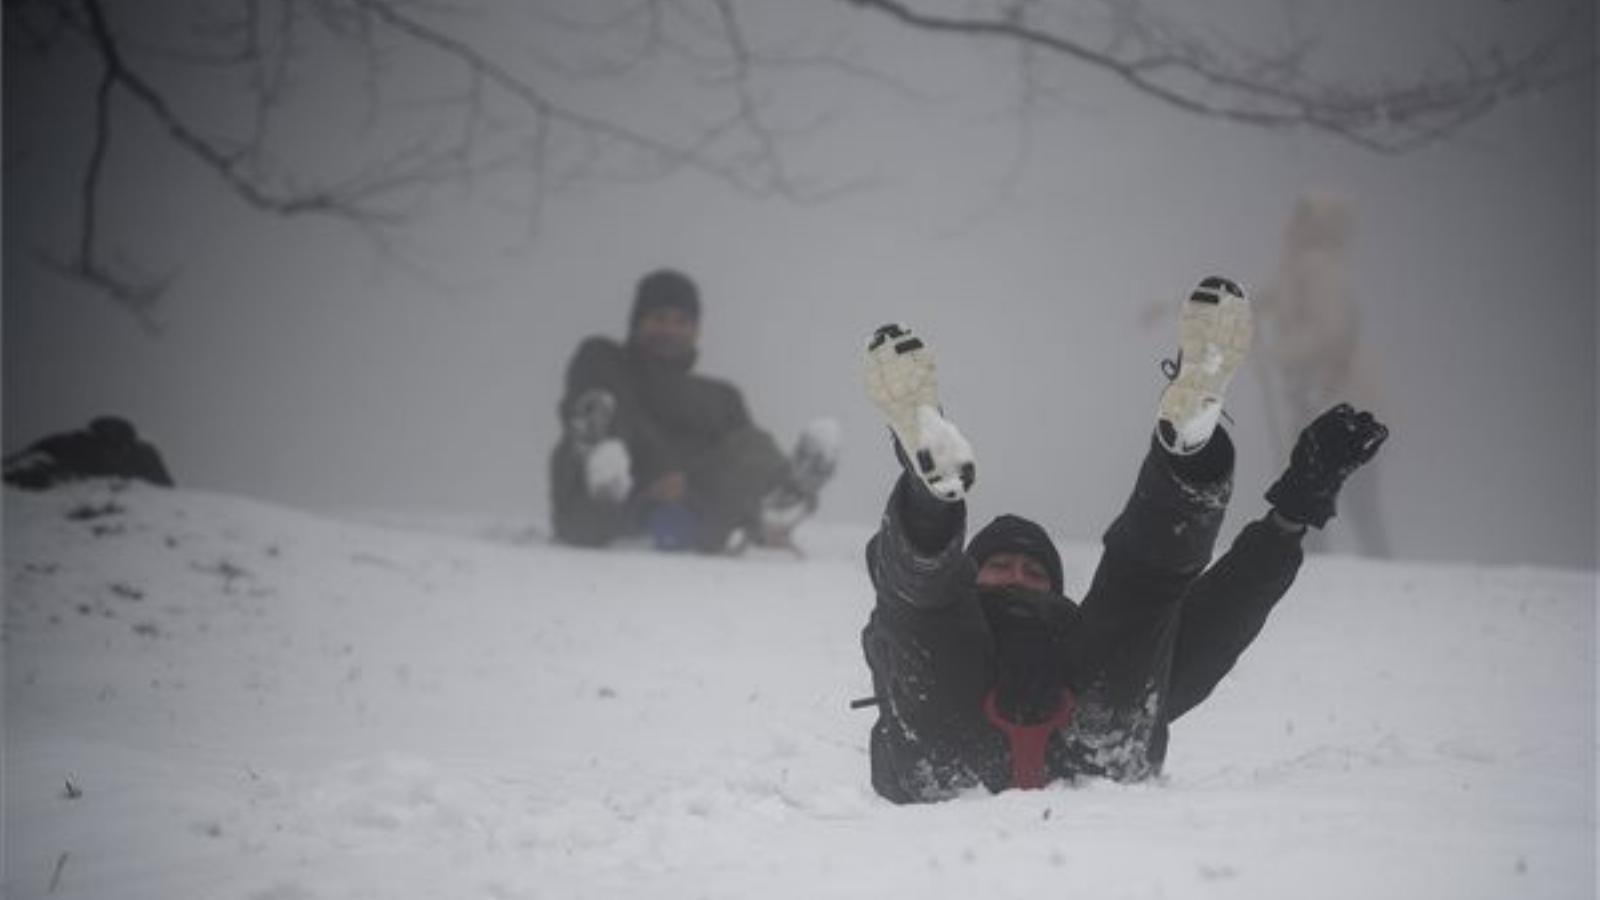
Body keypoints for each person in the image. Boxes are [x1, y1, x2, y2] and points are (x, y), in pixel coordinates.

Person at [857, 277, 1388, 803]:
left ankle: (1188, 446)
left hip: (1091, 737)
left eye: (1033, 571)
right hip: (951, 744)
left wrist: (1293, 512)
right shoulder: (949, 615)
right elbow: (901, 612)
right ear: (973, 572)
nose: (1018, 576)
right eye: (1001, 566)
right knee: (924, 602)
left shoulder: (1081, 637)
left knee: (1144, 592)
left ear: (1056, 589)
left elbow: (1220, 616)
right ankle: (931, 488)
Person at [549, 268, 839, 553]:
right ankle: (603, 453)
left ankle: (778, 502)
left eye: (681, 321)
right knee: (598, 368)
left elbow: (740, 466)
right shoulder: (610, 365)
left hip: (693, 511)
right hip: (607, 507)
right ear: (638, 323)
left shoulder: (720, 398)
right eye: (659, 318)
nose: (669, 330)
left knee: (751, 446)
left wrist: (687, 486)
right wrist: (647, 483)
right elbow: (596, 389)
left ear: (695, 330)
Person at [1254, 191, 1392, 557]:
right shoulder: (1304, 267)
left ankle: (1319, 558)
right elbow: (1269, 299)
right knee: (1328, 479)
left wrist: (1279, 353)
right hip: (1320, 392)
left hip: (1328, 391)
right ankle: (1319, 556)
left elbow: (1329, 330)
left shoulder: (1316, 267)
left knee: (1327, 478)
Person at [3, 415, 175, 490]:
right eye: (106, 431)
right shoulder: (75, 442)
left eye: (115, 433)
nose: (110, 436)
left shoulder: (142, 452)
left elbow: (163, 485)